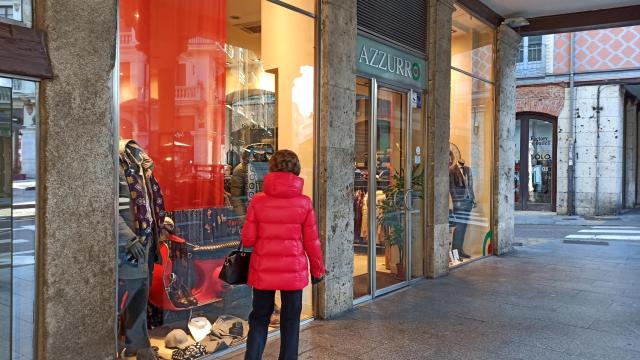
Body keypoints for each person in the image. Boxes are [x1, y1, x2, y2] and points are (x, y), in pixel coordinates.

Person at [241, 149, 326, 360]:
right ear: (296, 170)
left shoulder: (258, 201)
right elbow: (312, 242)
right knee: (290, 322)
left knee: (259, 319)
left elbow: (248, 239)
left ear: (271, 168)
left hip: (263, 270)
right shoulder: (304, 202)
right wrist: (318, 271)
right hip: (293, 272)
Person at [448, 150, 475, 259]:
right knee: (459, 228)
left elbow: (471, 186)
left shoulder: (468, 169)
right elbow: (451, 187)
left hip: (468, 202)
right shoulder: (452, 171)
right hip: (459, 203)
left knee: (463, 228)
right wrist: (456, 201)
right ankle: (454, 253)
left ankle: (460, 250)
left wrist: (473, 199)